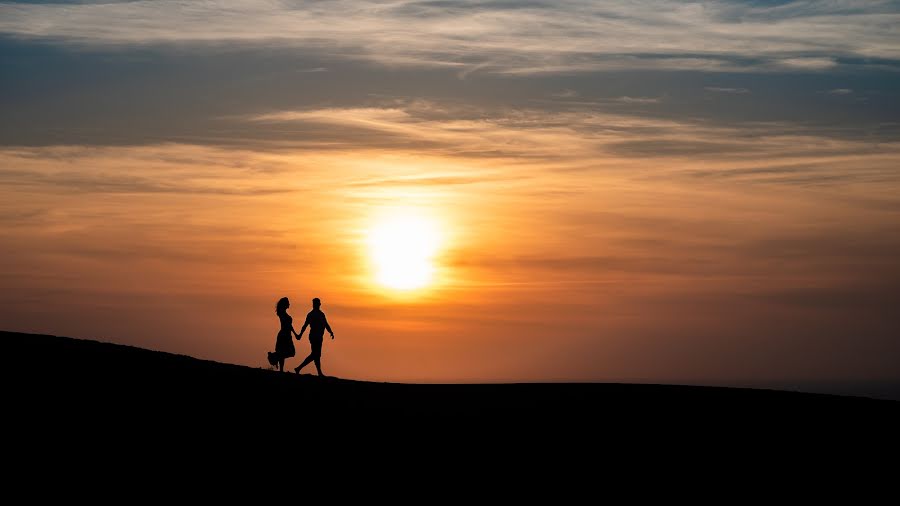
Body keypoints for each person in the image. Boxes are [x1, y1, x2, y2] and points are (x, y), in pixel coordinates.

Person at [294, 297, 334, 376]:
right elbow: (305, 326)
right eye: (315, 303)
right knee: (315, 355)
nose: (316, 305)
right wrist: (300, 335)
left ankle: (318, 372)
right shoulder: (311, 314)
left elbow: (326, 324)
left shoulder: (321, 314)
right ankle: (299, 368)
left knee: (316, 355)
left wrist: (330, 332)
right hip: (314, 337)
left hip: (319, 337)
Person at [267, 297, 300, 372]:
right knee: (290, 352)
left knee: (283, 352)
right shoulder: (282, 313)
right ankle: (274, 356)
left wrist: (295, 334)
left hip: (287, 334)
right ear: (285, 304)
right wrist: (295, 334)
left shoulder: (284, 313)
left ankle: (278, 364)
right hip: (284, 335)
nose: (289, 304)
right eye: (288, 302)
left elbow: (290, 326)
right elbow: (287, 325)